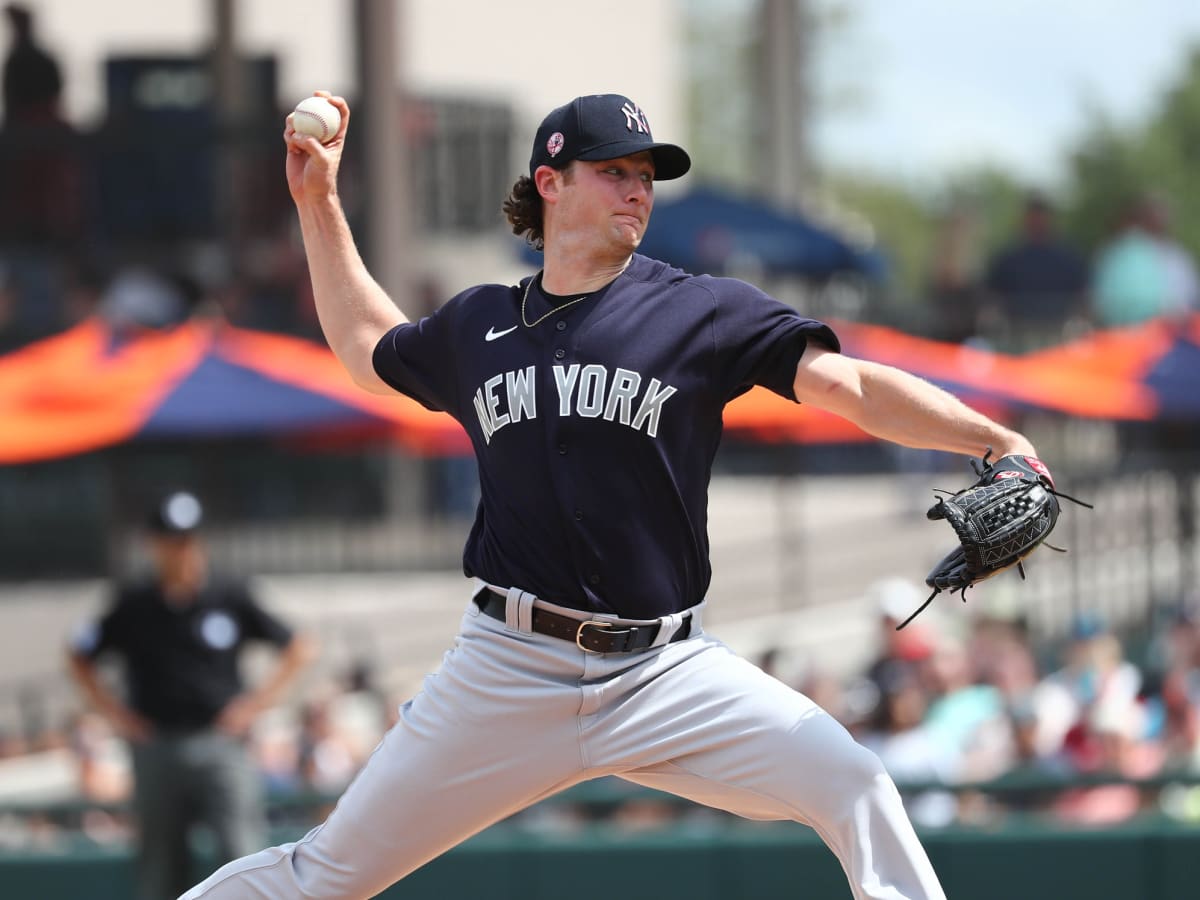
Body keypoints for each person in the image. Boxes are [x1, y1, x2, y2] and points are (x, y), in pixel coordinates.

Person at [181, 90, 1052, 900]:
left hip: (664, 670)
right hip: (507, 669)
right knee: (327, 876)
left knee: (856, 785)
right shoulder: (479, 325)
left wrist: (993, 439)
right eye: (615, 172)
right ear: (550, 184)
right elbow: (368, 345)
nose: (637, 191)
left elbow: (849, 387)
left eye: (645, 176)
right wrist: (318, 203)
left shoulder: (699, 312)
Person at [67, 490, 316, 900]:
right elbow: (79, 654)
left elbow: (298, 646)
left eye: (187, 538)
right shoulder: (135, 602)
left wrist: (253, 705)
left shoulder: (228, 593)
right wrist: (116, 716)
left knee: (242, 853)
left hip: (221, 742)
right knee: (161, 866)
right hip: (157, 743)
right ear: (153, 543)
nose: (180, 550)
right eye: (170, 539)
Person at [981, 191, 1090, 351]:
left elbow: (1083, 301)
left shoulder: (1069, 258)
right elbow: (991, 301)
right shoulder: (1008, 259)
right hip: (1018, 337)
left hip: (1058, 336)